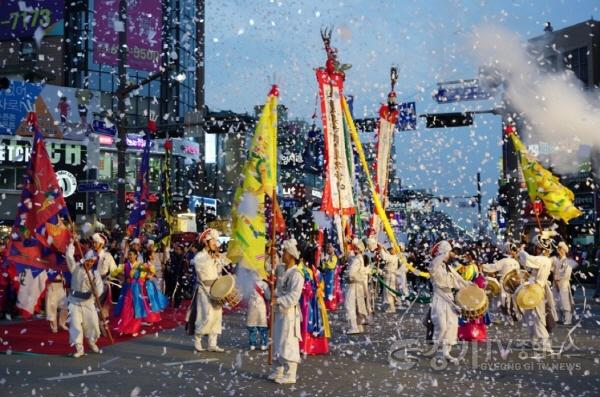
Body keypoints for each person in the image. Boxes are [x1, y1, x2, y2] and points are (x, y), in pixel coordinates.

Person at [269, 239, 304, 384]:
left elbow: (294, 297)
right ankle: (278, 370)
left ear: (290, 255)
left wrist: (278, 300)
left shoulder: (297, 274)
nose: (282, 254)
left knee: (288, 342)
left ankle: (291, 374)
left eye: (284, 252)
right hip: (279, 312)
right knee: (278, 340)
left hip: (289, 312)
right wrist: (271, 254)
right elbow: (271, 268)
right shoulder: (283, 269)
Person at [429, 240, 470, 362]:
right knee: (441, 325)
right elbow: (435, 264)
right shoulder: (434, 265)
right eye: (449, 252)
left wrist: (470, 285)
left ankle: (446, 352)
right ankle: (438, 351)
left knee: (452, 325)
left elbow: (459, 281)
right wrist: (442, 253)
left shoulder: (450, 268)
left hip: (450, 298)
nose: (452, 254)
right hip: (439, 297)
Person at [192, 228, 230, 352]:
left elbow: (227, 263)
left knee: (217, 316)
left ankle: (212, 343)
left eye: (216, 240)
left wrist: (219, 257)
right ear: (206, 242)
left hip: (217, 288)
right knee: (206, 315)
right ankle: (198, 339)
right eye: (212, 240)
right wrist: (213, 257)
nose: (215, 243)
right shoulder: (200, 256)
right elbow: (202, 274)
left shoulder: (215, 256)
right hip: (204, 289)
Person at [518, 234, 558, 353]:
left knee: (537, 316)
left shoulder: (542, 259)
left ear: (541, 248)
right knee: (530, 315)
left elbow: (528, 260)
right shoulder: (544, 259)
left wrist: (521, 250)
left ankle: (545, 343)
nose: (535, 249)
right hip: (535, 289)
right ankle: (534, 340)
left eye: (537, 247)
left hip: (537, 290)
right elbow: (529, 265)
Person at [65, 241, 103, 358]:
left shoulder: (95, 274)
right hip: (74, 301)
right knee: (75, 325)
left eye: (92, 262)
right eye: (88, 261)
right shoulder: (75, 268)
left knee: (93, 324)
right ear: (85, 260)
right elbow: (68, 256)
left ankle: (91, 342)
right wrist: (72, 243)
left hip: (88, 302)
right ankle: (79, 348)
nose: (90, 263)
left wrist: (96, 291)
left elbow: (99, 288)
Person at [482, 242, 521, 324]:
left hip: (504, 283)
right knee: (510, 301)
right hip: (513, 285)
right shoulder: (516, 263)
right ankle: (509, 317)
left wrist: (483, 266)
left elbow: (493, 267)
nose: (514, 252)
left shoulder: (504, 261)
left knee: (500, 300)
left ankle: (498, 317)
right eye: (513, 250)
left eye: (515, 250)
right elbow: (518, 275)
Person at [345, 238, 369, 334]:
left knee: (349, 305)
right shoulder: (359, 258)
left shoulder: (357, 260)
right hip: (358, 285)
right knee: (357, 305)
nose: (354, 248)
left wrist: (347, 276)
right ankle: (359, 325)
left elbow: (351, 273)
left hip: (353, 285)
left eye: (356, 247)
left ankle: (353, 327)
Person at [93, 233, 116, 320]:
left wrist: (109, 277)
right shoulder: (90, 255)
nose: (94, 244)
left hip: (103, 282)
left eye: (96, 242)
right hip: (91, 281)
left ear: (101, 244)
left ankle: (99, 318)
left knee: (98, 302)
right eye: (93, 242)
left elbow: (114, 270)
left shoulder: (108, 256)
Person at [552, 242, 575, 326]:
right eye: (558, 248)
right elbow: (552, 269)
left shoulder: (568, 261)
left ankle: (568, 319)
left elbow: (567, 274)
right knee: (556, 300)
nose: (558, 250)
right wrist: (555, 280)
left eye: (560, 248)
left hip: (564, 283)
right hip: (555, 283)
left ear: (564, 250)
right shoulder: (555, 259)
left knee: (565, 301)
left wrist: (558, 279)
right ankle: (559, 317)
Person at [246, 277, 270, 351]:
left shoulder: (248, 282)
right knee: (262, 326)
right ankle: (263, 344)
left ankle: (252, 344)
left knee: (252, 326)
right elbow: (268, 296)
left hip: (251, 306)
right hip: (261, 306)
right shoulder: (264, 284)